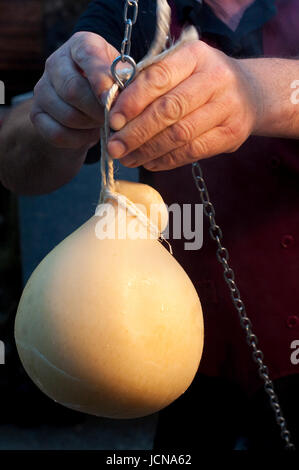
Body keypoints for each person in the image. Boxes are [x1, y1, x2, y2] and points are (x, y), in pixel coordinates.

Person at [1, 0, 299, 449]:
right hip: (175, 345)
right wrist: (57, 115)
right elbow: (16, 163)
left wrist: (260, 90)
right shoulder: (137, 13)